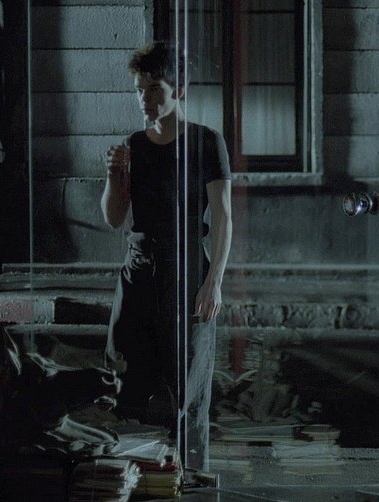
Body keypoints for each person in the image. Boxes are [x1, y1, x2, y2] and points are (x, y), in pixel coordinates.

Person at [100, 41, 232, 471]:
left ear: (180, 90)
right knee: (125, 379)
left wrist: (213, 281)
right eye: (140, 90)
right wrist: (114, 175)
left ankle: (191, 476)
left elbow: (224, 218)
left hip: (186, 269)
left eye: (155, 88)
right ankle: (131, 476)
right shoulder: (134, 145)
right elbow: (114, 217)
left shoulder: (206, 143)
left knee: (188, 386)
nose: (145, 98)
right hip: (139, 268)